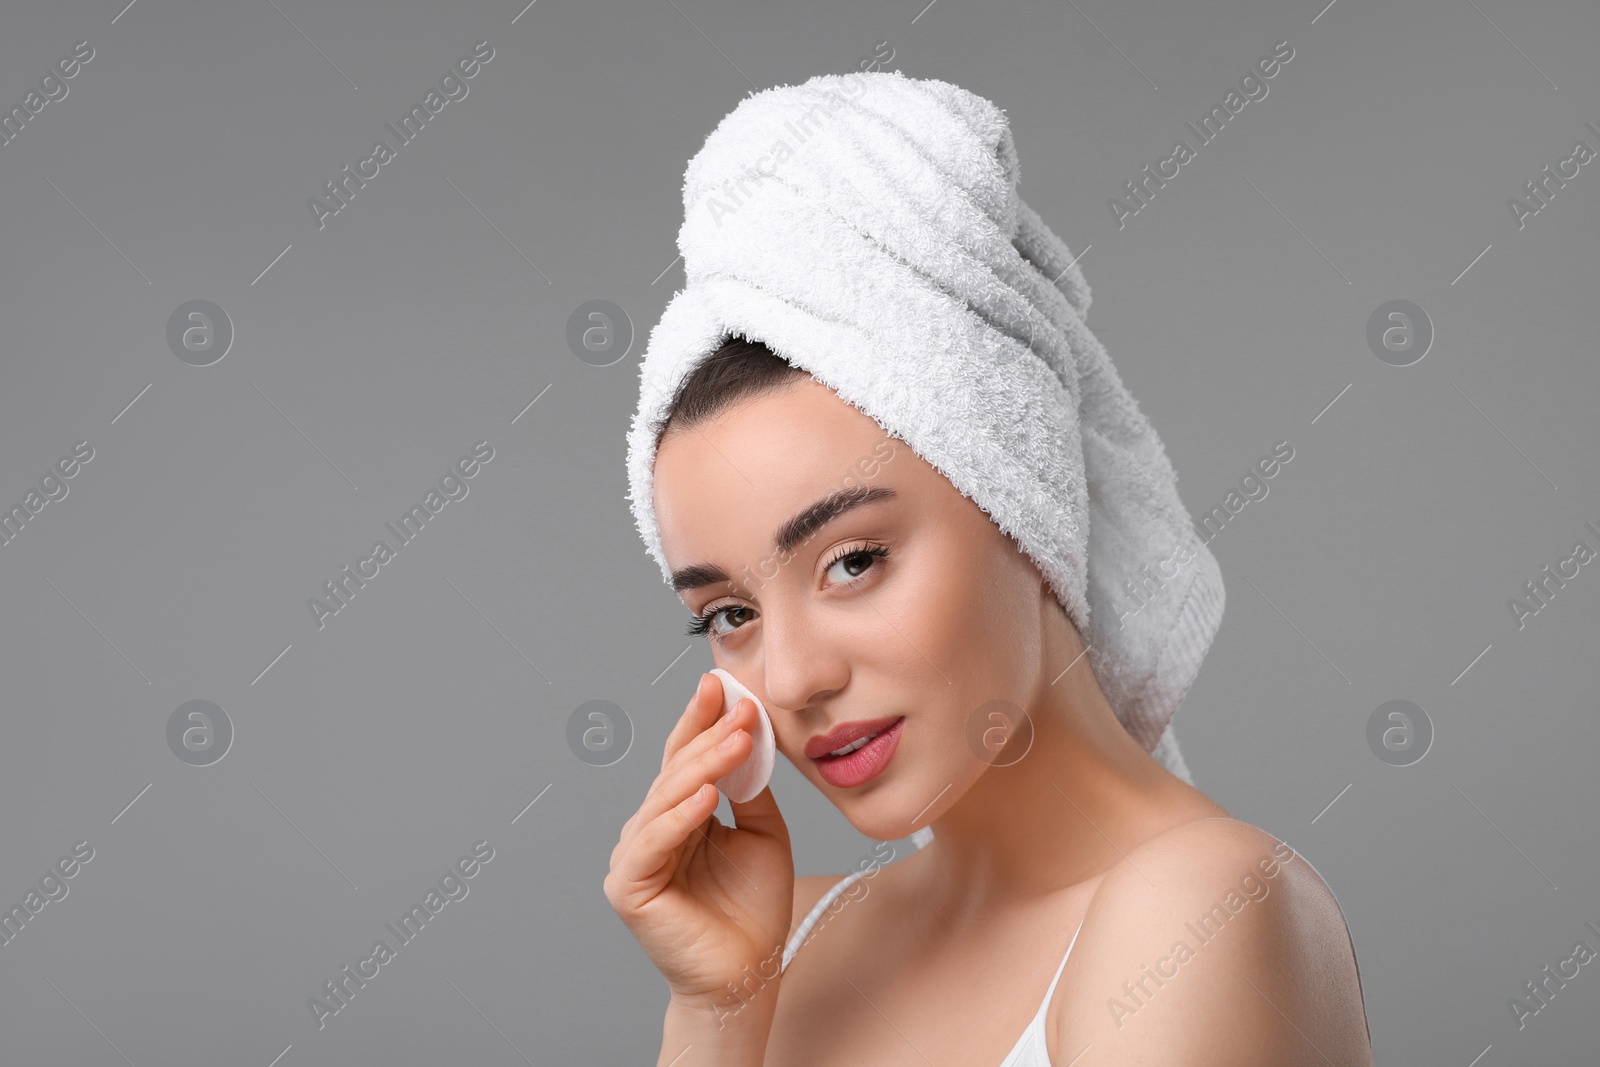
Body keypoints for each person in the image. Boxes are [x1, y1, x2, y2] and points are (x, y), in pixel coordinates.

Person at [604, 71, 1372, 1066]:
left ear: (1022, 500)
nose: (792, 679)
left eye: (852, 560)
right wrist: (716, 1012)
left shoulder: (1198, 912)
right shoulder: (780, 947)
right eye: (729, 613)